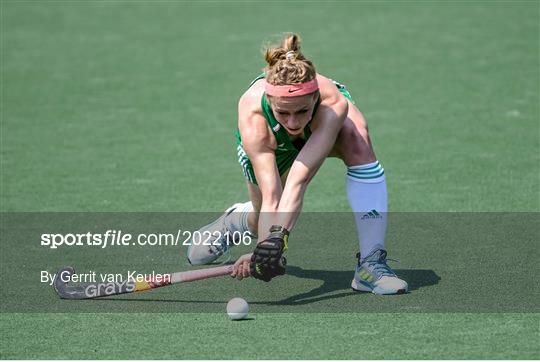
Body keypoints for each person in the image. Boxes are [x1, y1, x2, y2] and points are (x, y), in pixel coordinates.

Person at [187, 33, 407, 295]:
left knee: (356, 139)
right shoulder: (254, 116)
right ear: (270, 103)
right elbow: (274, 197)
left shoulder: (332, 104)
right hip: (272, 142)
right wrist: (266, 246)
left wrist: (277, 239)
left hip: (321, 131)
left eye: (301, 111)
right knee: (265, 216)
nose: (293, 123)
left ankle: (371, 264)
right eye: (283, 112)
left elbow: (298, 181)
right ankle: (239, 220)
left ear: (314, 99)